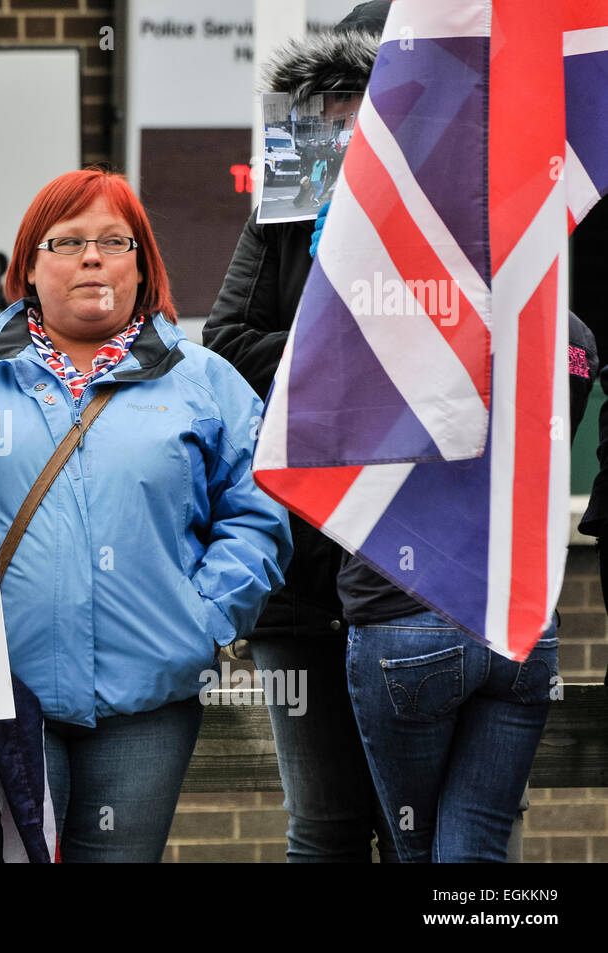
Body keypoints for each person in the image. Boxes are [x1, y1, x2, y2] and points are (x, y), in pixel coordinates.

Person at [0, 168, 292, 862]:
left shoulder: (204, 382)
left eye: (114, 241)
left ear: (143, 267)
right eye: (68, 241)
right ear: (29, 264)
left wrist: (202, 617)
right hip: (5, 697)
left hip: (149, 700)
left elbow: (259, 508)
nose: (91, 256)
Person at [202, 1, 395, 862]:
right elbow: (229, 342)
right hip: (300, 557)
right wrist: (352, 340)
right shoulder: (297, 187)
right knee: (322, 823)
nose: (348, 130)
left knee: (411, 829)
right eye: (336, 111)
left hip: (409, 564)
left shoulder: (452, 208)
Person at [341, 319, 598, 863]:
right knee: (475, 850)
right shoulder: (572, 334)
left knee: (413, 847)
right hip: (519, 619)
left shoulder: (393, 306)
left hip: (406, 612)